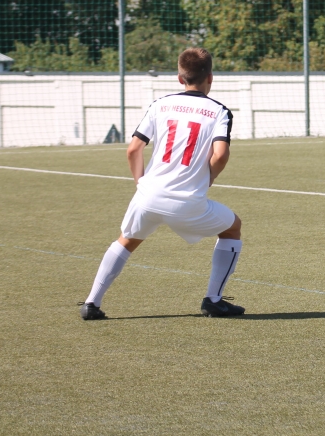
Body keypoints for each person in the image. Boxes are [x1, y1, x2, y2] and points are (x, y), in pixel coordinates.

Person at [79, 48, 245, 320]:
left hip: (148, 196)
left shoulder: (160, 104)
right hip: (187, 202)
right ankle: (214, 300)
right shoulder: (219, 111)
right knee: (232, 228)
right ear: (210, 77)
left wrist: (141, 184)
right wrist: (209, 177)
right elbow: (220, 155)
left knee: (126, 240)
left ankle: (91, 303)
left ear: (180, 78)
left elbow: (133, 150)